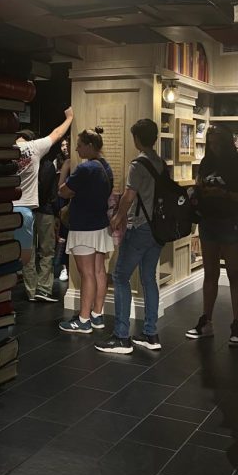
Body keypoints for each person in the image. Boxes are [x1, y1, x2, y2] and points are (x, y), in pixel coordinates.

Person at [94, 118, 164, 355]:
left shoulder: (138, 164)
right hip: (157, 229)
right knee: (148, 278)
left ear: (136, 139)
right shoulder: (160, 163)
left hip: (140, 227)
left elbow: (128, 196)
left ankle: (121, 336)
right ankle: (150, 333)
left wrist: (117, 217)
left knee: (120, 275)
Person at [185, 125, 238, 347]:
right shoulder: (207, 163)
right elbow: (200, 185)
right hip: (209, 221)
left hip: (231, 222)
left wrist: (223, 193)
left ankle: (237, 324)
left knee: (234, 274)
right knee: (210, 274)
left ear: (227, 142)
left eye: (218, 143)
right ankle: (206, 321)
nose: (214, 147)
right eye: (211, 143)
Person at [58, 128, 114, 335]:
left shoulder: (85, 169)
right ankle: (97, 314)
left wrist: (64, 169)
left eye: (80, 145)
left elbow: (63, 191)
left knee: (87, 273)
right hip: (100, 224)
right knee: (99, 271)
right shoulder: (105, 167)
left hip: (83, 226)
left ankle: (83, 320)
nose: (76, 149)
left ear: (89, 146)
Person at [14, 107, 74, 269]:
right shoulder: (34, 147)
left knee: (9, 253)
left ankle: (26, 291)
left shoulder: (5, 151)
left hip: (4, 209)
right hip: (25, 209)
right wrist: (69, 118)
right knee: (25, 257)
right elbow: (57, 134)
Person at [22, 154, 58, 302]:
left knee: (29, 251)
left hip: (29, 209)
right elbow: (48, 190)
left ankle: (33, 290)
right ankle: (42, 290)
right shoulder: (48, 165)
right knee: (46, 251)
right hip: (43, 210)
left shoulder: (26, 165)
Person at [53, 138, 70, 282]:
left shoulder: (74, 162)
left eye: (67, 145)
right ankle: (64, 267)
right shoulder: (57, 162)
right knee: (62, 237)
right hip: (62, 202)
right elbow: (58, 187)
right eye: (62, 145)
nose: (64, 147)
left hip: (71, 201)